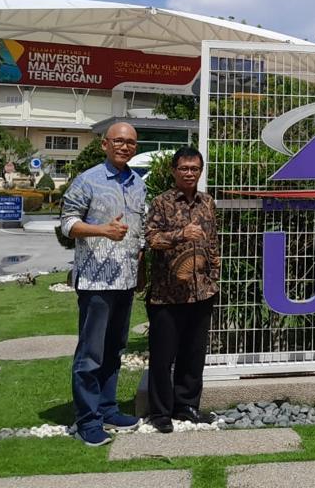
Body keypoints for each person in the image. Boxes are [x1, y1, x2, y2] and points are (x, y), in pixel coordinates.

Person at [61, 122, 146, 446]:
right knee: (91, 354)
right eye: (119, 141)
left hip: (125, 279)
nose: (125, 146)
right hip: (96, 280)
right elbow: (67, 223)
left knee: (114, 350)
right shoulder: (88, 180)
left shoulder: (138, 184)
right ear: (105, 145)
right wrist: (102, 231)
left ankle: (108, 409)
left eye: (131, 142)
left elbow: (139, 229)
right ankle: (88, 419)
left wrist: (140, 268)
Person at [144, 146, 221, 433]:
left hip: (202, 291)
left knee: (193, 354)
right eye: (184, 168)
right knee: (163, 356)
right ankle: (160, 412)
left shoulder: (207, 202)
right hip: (167, 294)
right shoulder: (161, 202)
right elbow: (151, 239)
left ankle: (186, 406)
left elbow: (213, 241)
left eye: (194, 169)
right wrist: (181, 235)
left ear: (200, 171)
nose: (190, 173)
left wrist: (214, 276)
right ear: (174, 171)